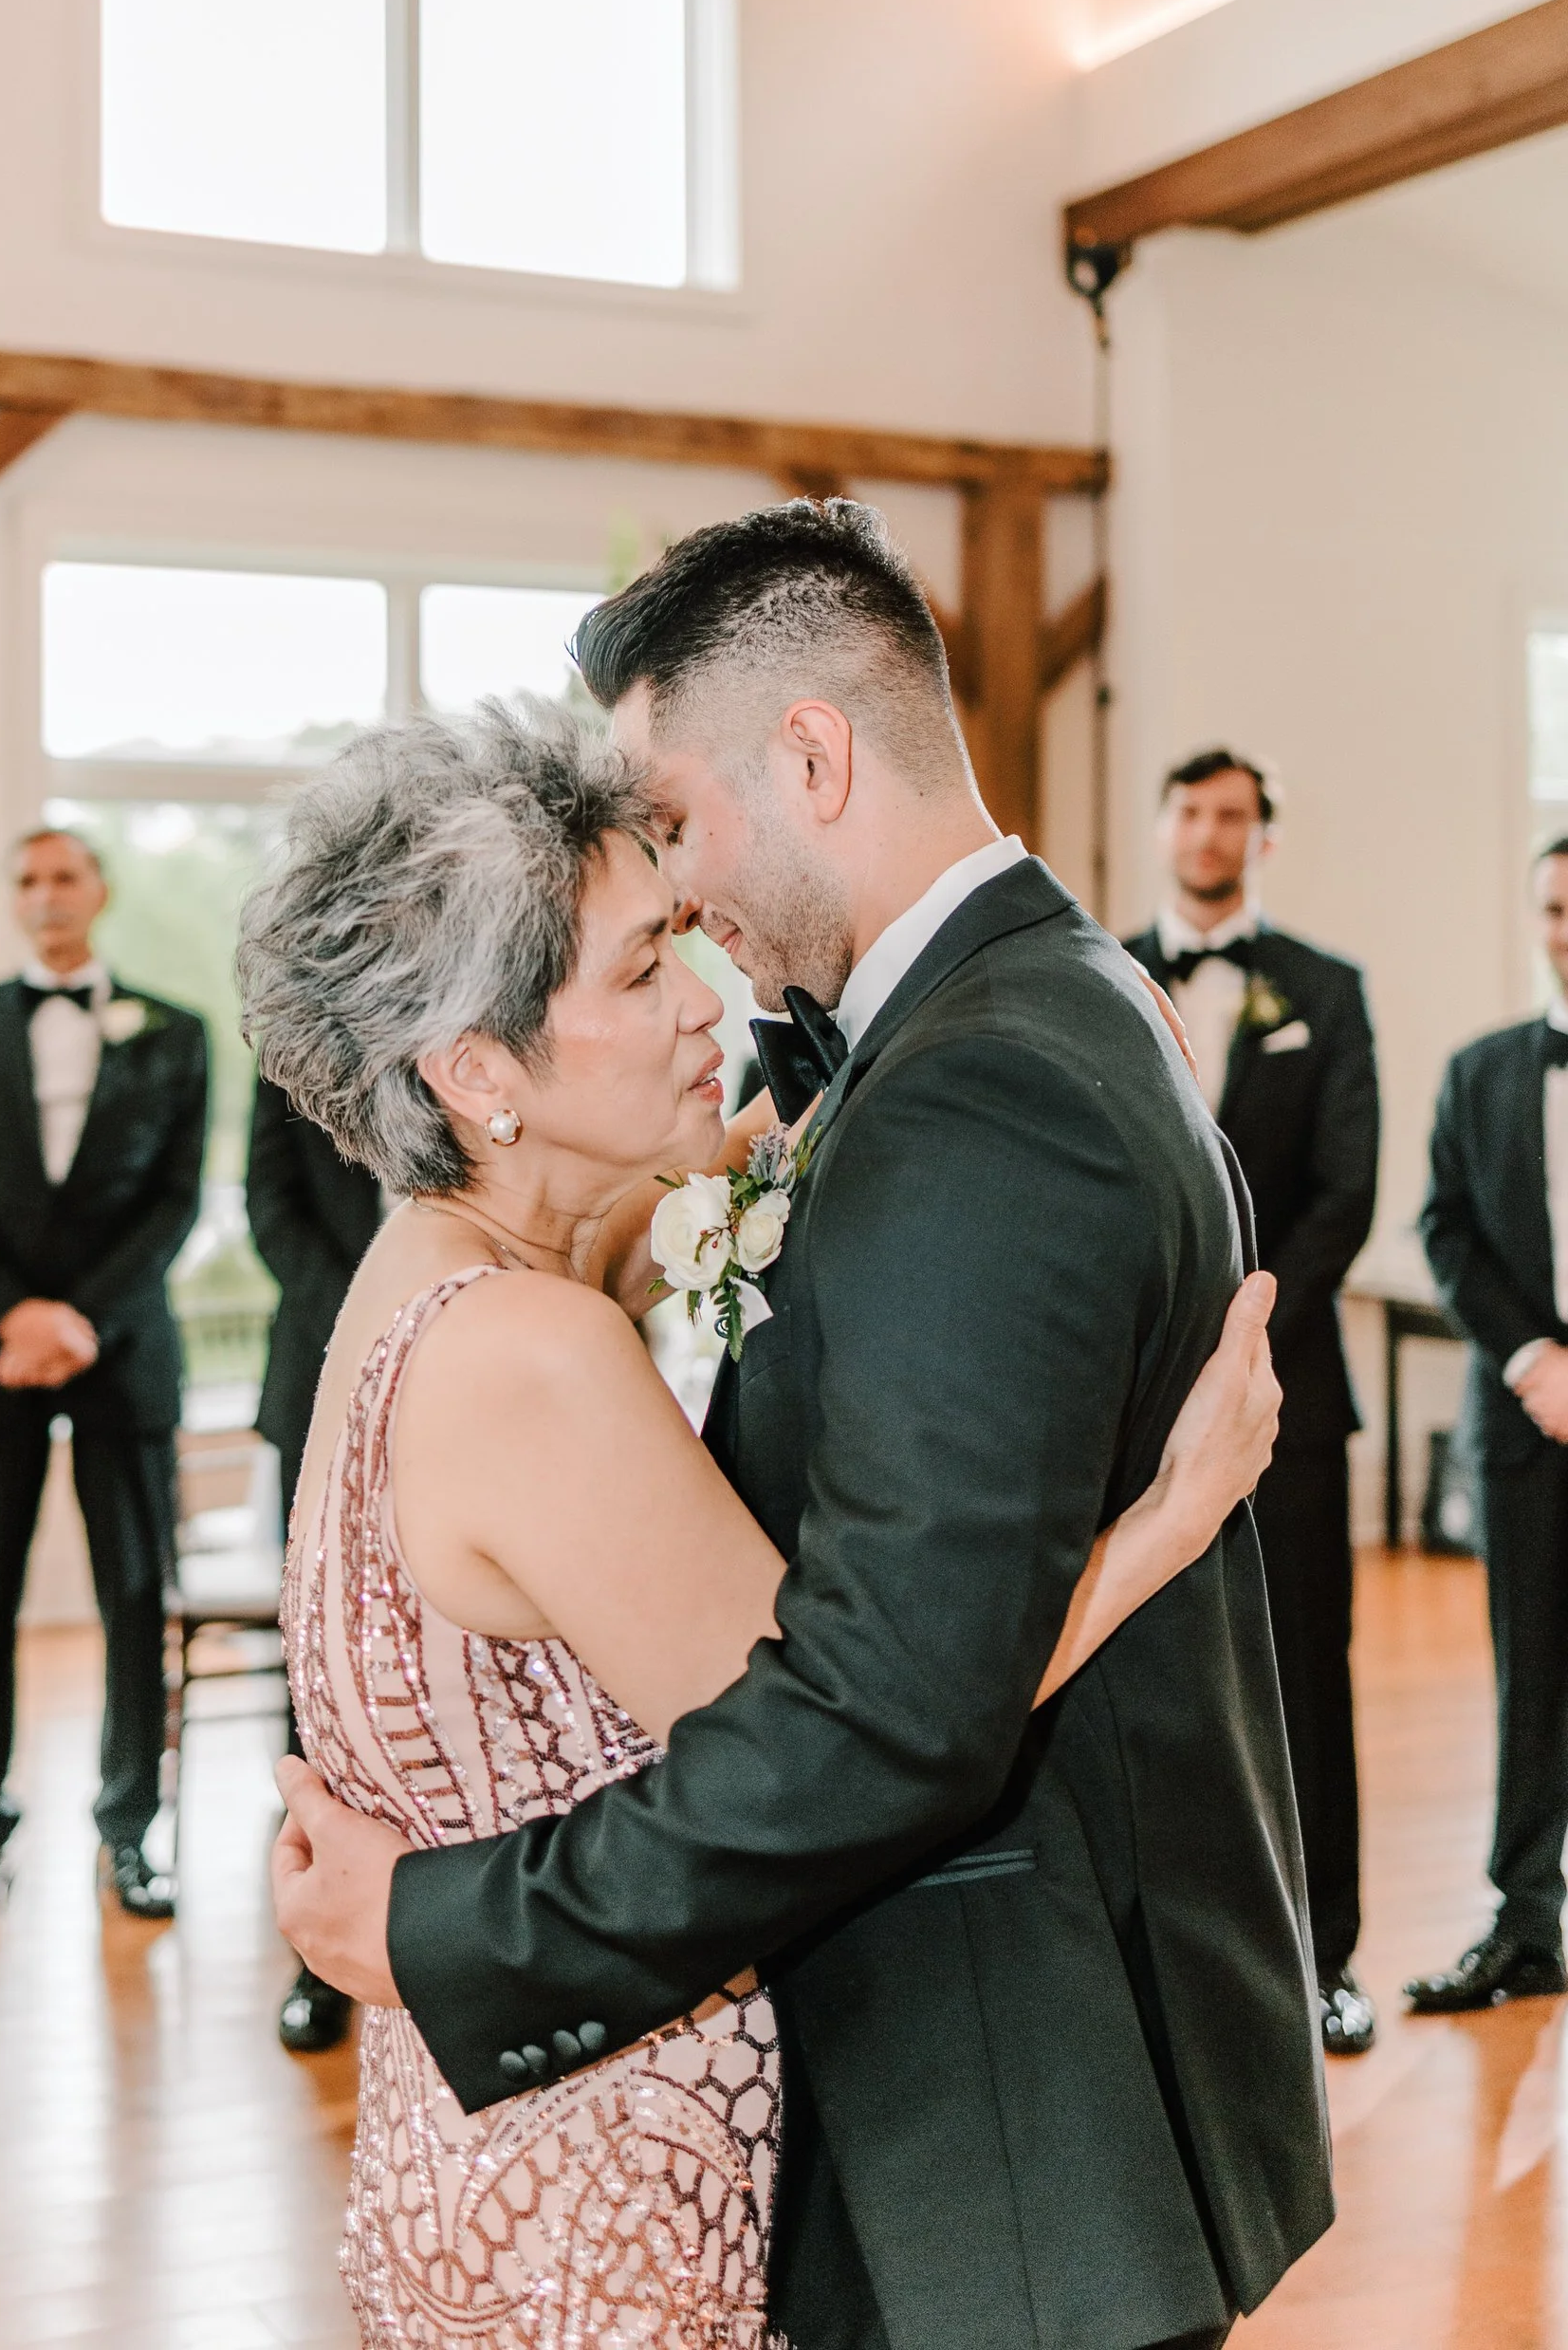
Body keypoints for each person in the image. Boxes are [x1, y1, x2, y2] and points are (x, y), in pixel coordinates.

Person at [268, 503, 1332, 2350]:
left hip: (995, 2124)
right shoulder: (550, 1316)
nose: (688, 929)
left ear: (813, 756)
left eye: (670, 829)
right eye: (631, 952)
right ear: (475, 1072)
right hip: (653, 2166)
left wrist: (445, 1930)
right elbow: (873, 1693)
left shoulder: (979, 1078)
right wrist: (1165, 1524)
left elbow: (876, 1709)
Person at [1126, 747, 1380, 2056]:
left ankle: (1325, 1955)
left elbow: (1349, 1187)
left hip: (1295, 1396)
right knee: (1155, 1679)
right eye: (1192, 811)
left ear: (1260, 839)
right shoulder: (1106, 978)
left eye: (1234, 816)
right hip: (1139, 1405)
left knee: (1306, 1675)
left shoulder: (1327, 994)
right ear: (1164, 825)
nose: (1211, 833)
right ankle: (1174, 1965)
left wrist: (1252, 1331)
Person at [0, 828, 208, 1927]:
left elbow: (175, 1199)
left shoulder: (174, 1035)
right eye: (28, 879)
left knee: (133, 1599)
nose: (47, 896)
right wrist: (20, 1315)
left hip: (121, 1350)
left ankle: (131, 1832)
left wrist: (82, 1319)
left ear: (101, 891)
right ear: (14, 900)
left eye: (64, 877)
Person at [1408, 838, 1568, 2014]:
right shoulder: (1479, 1073)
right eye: (1557, 908)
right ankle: (1528, 1920)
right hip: (1529, 1417)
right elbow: (1446, 1230)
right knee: (1534, 1674)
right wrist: (1533, 1358)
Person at [246, 1070, 381, 2051]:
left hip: (478, 1366)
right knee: (322, 1654)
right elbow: (272, 1206)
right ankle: (322, 1960)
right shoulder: (293, 1042)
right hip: (322, 1371)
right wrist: (377, 1311)